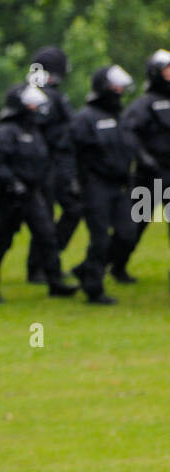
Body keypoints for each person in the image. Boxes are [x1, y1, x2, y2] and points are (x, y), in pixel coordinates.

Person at [0, 83, 78, 303]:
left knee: (47, 235)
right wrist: (12, 183)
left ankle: (55, 282)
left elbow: (41, 162)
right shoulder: (7, 132)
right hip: (9, 196)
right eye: (31, 103)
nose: (35, 107)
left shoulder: (34, 132)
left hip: (32, 194)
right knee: (3, 241)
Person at [71, 64, 139, 305]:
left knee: (127, 233)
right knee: (99, 238)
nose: (120, 90)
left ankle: (86, 269)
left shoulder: (118, 117)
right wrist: (74, 183)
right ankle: (93, 288)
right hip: (94, 186)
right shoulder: (84, 119)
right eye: (115, 86)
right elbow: (72, 154)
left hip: (119, 186)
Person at [113, 48, 170, 284]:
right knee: (133, 227)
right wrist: (143, 157)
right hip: (151, 175)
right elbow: (127, 134)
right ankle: (115, 265)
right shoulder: (143, 105)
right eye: (167, 70)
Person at [24, 46, 79, 284]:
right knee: (45, 215)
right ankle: (41, 266)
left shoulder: (50, 95)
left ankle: (48, 261)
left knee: (69, 209)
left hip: (60, 164)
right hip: (48, 165)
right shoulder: (40, 97)